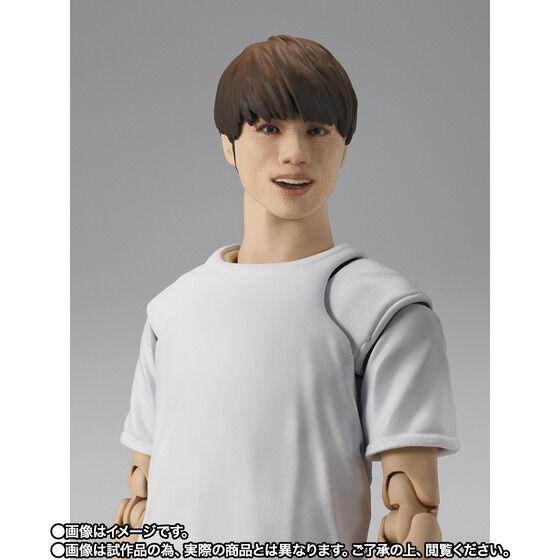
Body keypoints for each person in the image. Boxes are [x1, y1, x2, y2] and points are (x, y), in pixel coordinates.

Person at [114, 35, 459, 557]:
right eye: (268, 128)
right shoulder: (171, 311)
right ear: (228, 144)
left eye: (317, 129)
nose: (295, 153)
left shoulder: (380, 312)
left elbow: (412, 518)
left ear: (344, 147)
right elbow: (141, 497)